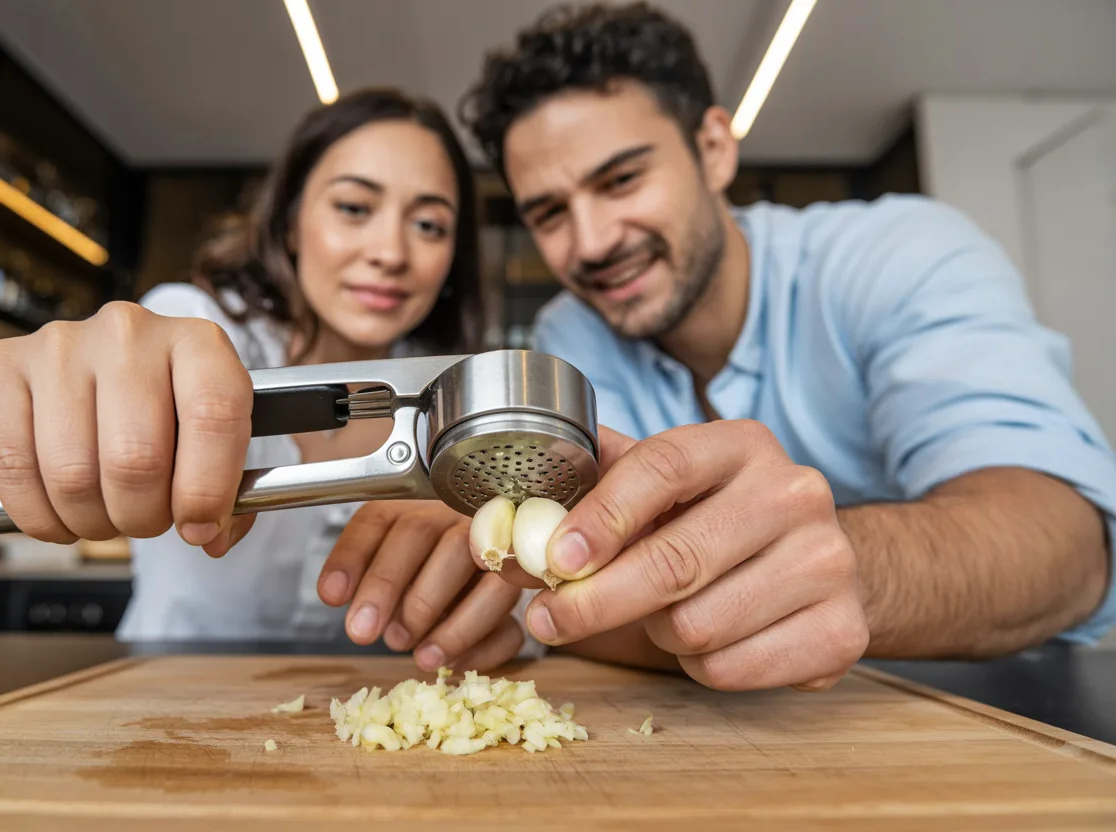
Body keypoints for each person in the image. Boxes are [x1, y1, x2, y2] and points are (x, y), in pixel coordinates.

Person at [326, 1, 1116, 691]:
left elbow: (1068, 548)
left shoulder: (901, 255)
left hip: (992, 707)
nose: (593, 242)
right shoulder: (572, 334)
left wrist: (850, 568)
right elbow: (588, 600)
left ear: (713, 148)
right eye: (550, 212)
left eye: (623, 179)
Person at [0, 88, 532, 671]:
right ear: (288, 224)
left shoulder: (459, 403)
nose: (391, 251)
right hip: (159, 699)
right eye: (354, 208)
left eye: (430, 225)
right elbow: (136, 350)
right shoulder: (199, 326)